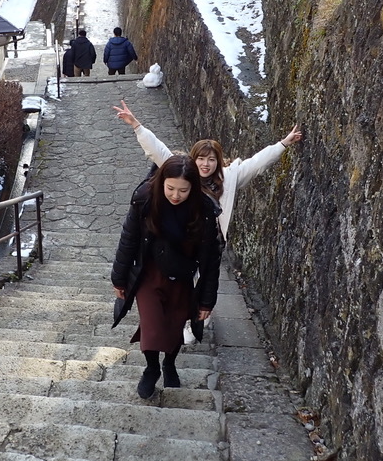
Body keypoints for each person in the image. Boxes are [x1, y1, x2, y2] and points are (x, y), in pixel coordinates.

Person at [111, 154, 222, 398]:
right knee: (153, 325)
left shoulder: (203, 211)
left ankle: (169, 364)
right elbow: (128, 239)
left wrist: (206, 301)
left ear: (193, 188)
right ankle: (151, 369)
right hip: (149, 273)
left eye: (183, 190)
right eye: (170, 188)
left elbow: (211, 259)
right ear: (161, 181)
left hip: (182, 276)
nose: (175, 195)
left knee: (174, 324)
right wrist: (119, 279)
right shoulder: (145, 200)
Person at [113, 99, 302, 239]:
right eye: (201, 159)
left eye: (211, 160)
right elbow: (157, 150)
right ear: (193, 159)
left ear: (218, 162)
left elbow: (257, 163)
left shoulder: (228, 178)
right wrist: (136, 125)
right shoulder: (182, 172)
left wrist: (283, 144)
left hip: (208, 241)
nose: (205, 164)